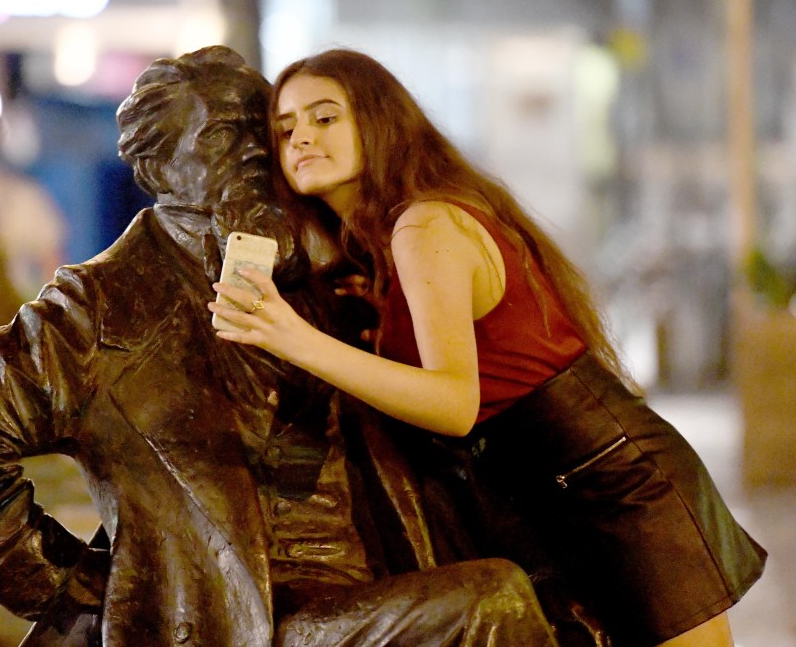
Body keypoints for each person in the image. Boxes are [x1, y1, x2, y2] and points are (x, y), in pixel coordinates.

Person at [0, 46, 559, 647]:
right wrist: (82, 592)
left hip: (379, 587)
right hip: (238, 618)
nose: (264, 153)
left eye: (265, 132)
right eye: (230, 136)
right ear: (163, 164)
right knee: (490, 605)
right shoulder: (99, 309)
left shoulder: (323, 276)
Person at [208, 48, 768, 647]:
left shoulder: (426, 226)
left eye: (325, 118)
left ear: (379, 122)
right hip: (545, 490)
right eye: (286, 128)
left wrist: (293, 338)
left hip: (614, 482)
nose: (301, 139)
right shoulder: (394, 239)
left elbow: (455, 403)